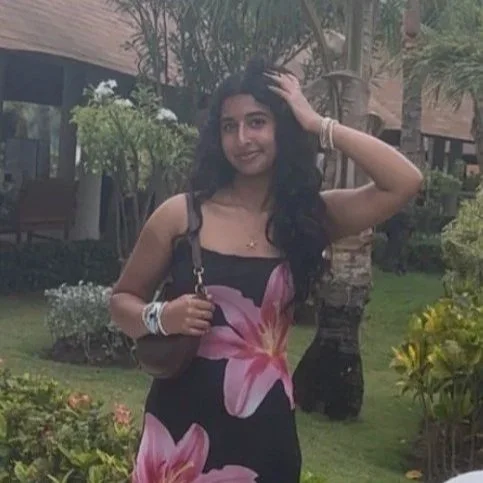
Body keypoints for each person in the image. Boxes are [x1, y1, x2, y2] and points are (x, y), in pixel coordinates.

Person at [109, 58, 423, 483]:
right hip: (178, 433)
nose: (242, 139)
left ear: (283, 128)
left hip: (264, 432)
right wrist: (161, 317)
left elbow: (404, 182)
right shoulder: (181, 215)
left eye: (257, 122)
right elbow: (121, 302)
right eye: (229, 126)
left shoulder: (307, 219)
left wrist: (316, 123)